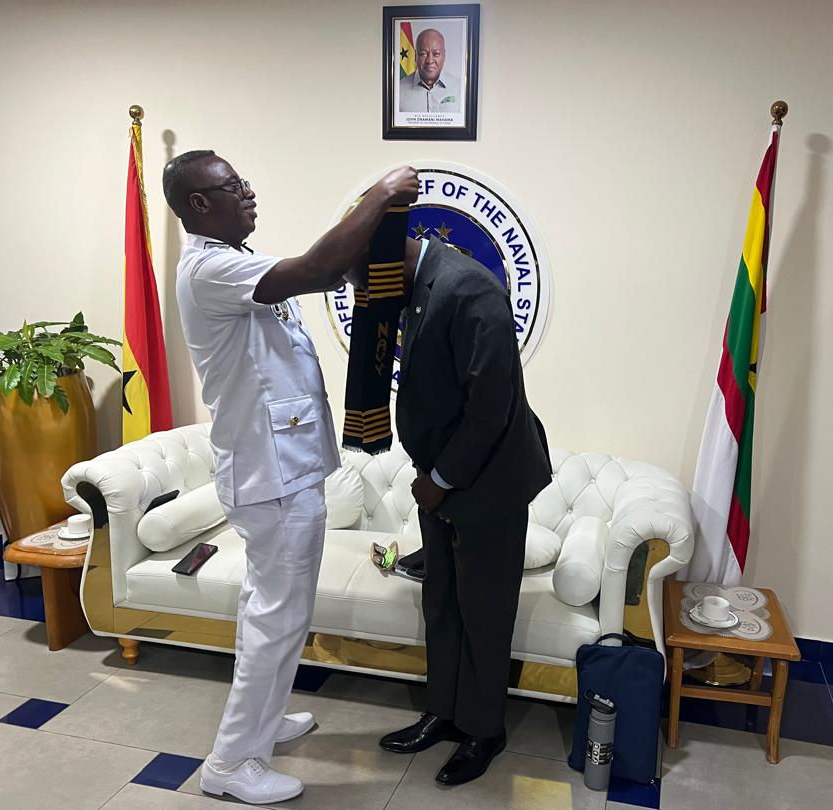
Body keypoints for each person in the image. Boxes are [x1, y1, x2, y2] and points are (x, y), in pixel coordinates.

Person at [162, 150, 418, 805]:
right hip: (269, 475)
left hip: (287, 468)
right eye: (230, 187)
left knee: (276, 612)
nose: (247, 192)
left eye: (244, 181)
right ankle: (231, 763)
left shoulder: (239, 259)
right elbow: (321, 267)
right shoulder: (211, 267)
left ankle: (266, 723)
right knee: (277, 617)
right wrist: (379, 193)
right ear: (198, 204)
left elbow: (326, 272)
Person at [365, 235, 552, 786]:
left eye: (362, 277)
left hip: (486, 481)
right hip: (441, 479)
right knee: (442, 600)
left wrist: (441, 481)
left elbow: (490, 408)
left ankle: (483, 729)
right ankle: (445, 712)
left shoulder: (469, 287)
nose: (363, 291)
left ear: (387, 254)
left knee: (484, 611)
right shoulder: (419, 279)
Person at [398, 28, 462, 113]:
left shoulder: (460, 88)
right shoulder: (398, 90)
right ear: (415, 56)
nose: (429, 60)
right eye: (423, 54)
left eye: (436, 54)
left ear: (444, 55)